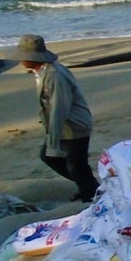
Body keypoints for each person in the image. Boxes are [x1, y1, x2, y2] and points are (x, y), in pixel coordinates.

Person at [9, 33, 99, 201]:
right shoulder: (43, 72)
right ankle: (88, 186)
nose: (20, 61)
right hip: (64, 125)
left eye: (23, 57)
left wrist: (53, 140)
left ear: (32, 58)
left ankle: (91, 193)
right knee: (62, 161)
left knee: (75, 165)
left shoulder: (53, 75)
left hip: (73, 126)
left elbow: (59, 108)